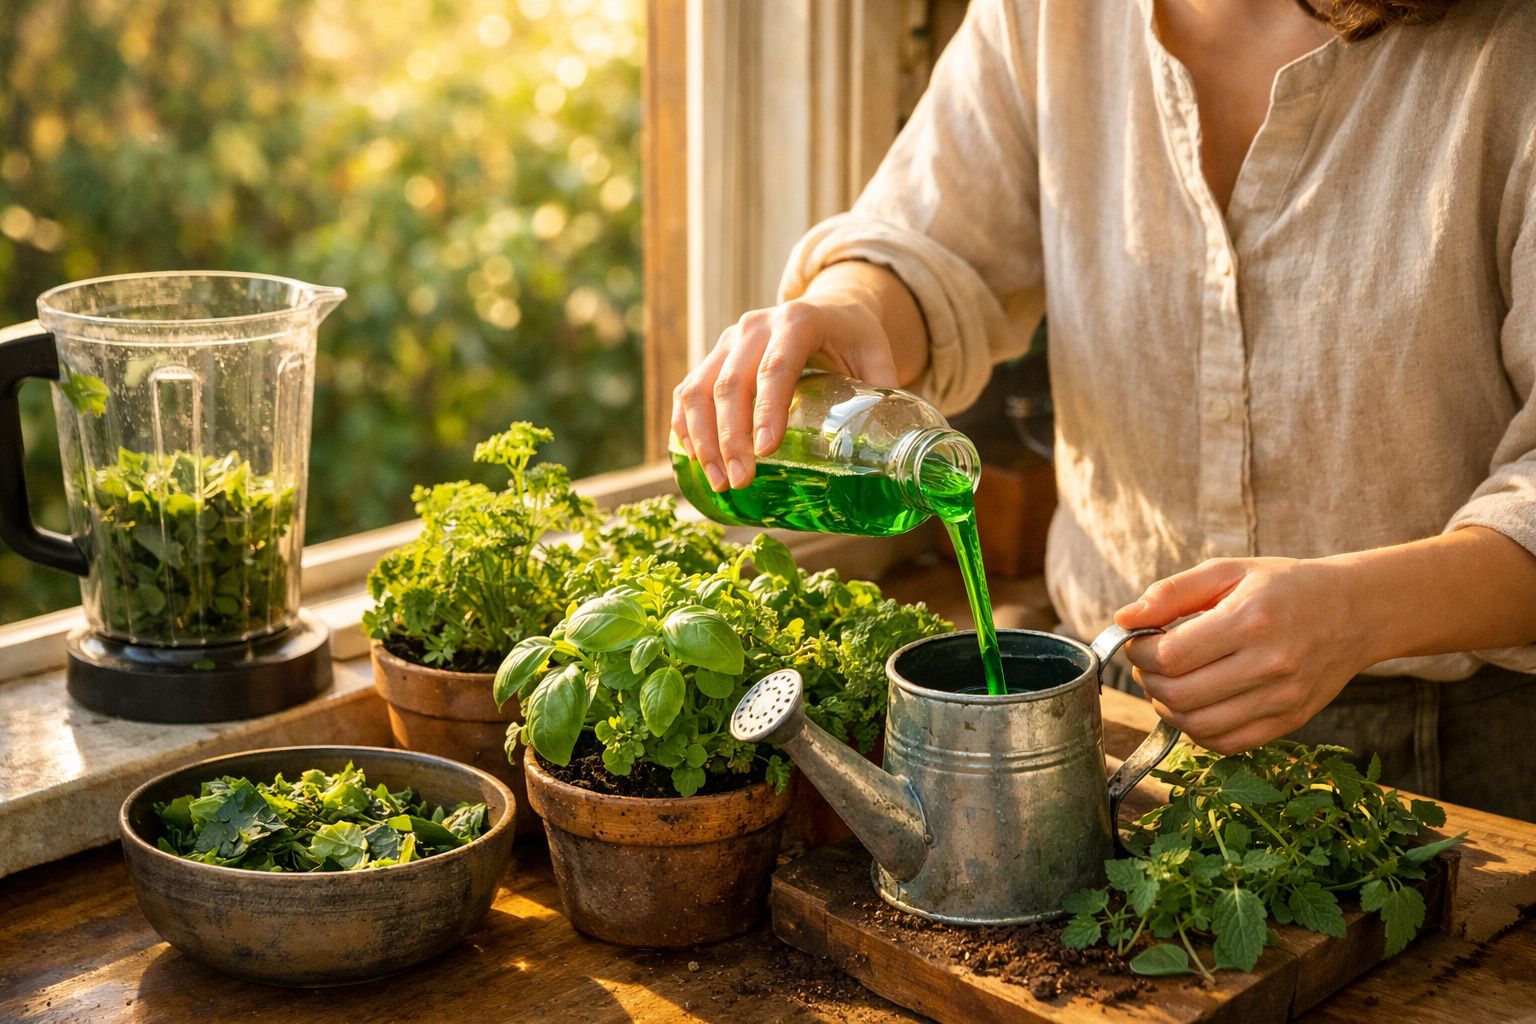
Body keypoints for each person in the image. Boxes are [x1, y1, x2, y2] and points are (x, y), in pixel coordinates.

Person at [670, 0, 1536, 820]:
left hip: (1453, 758)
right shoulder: (1045, 15)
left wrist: (1358, 611)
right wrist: (854, 306)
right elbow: (928, 243)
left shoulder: (1509, 48)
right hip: (1117, 711)